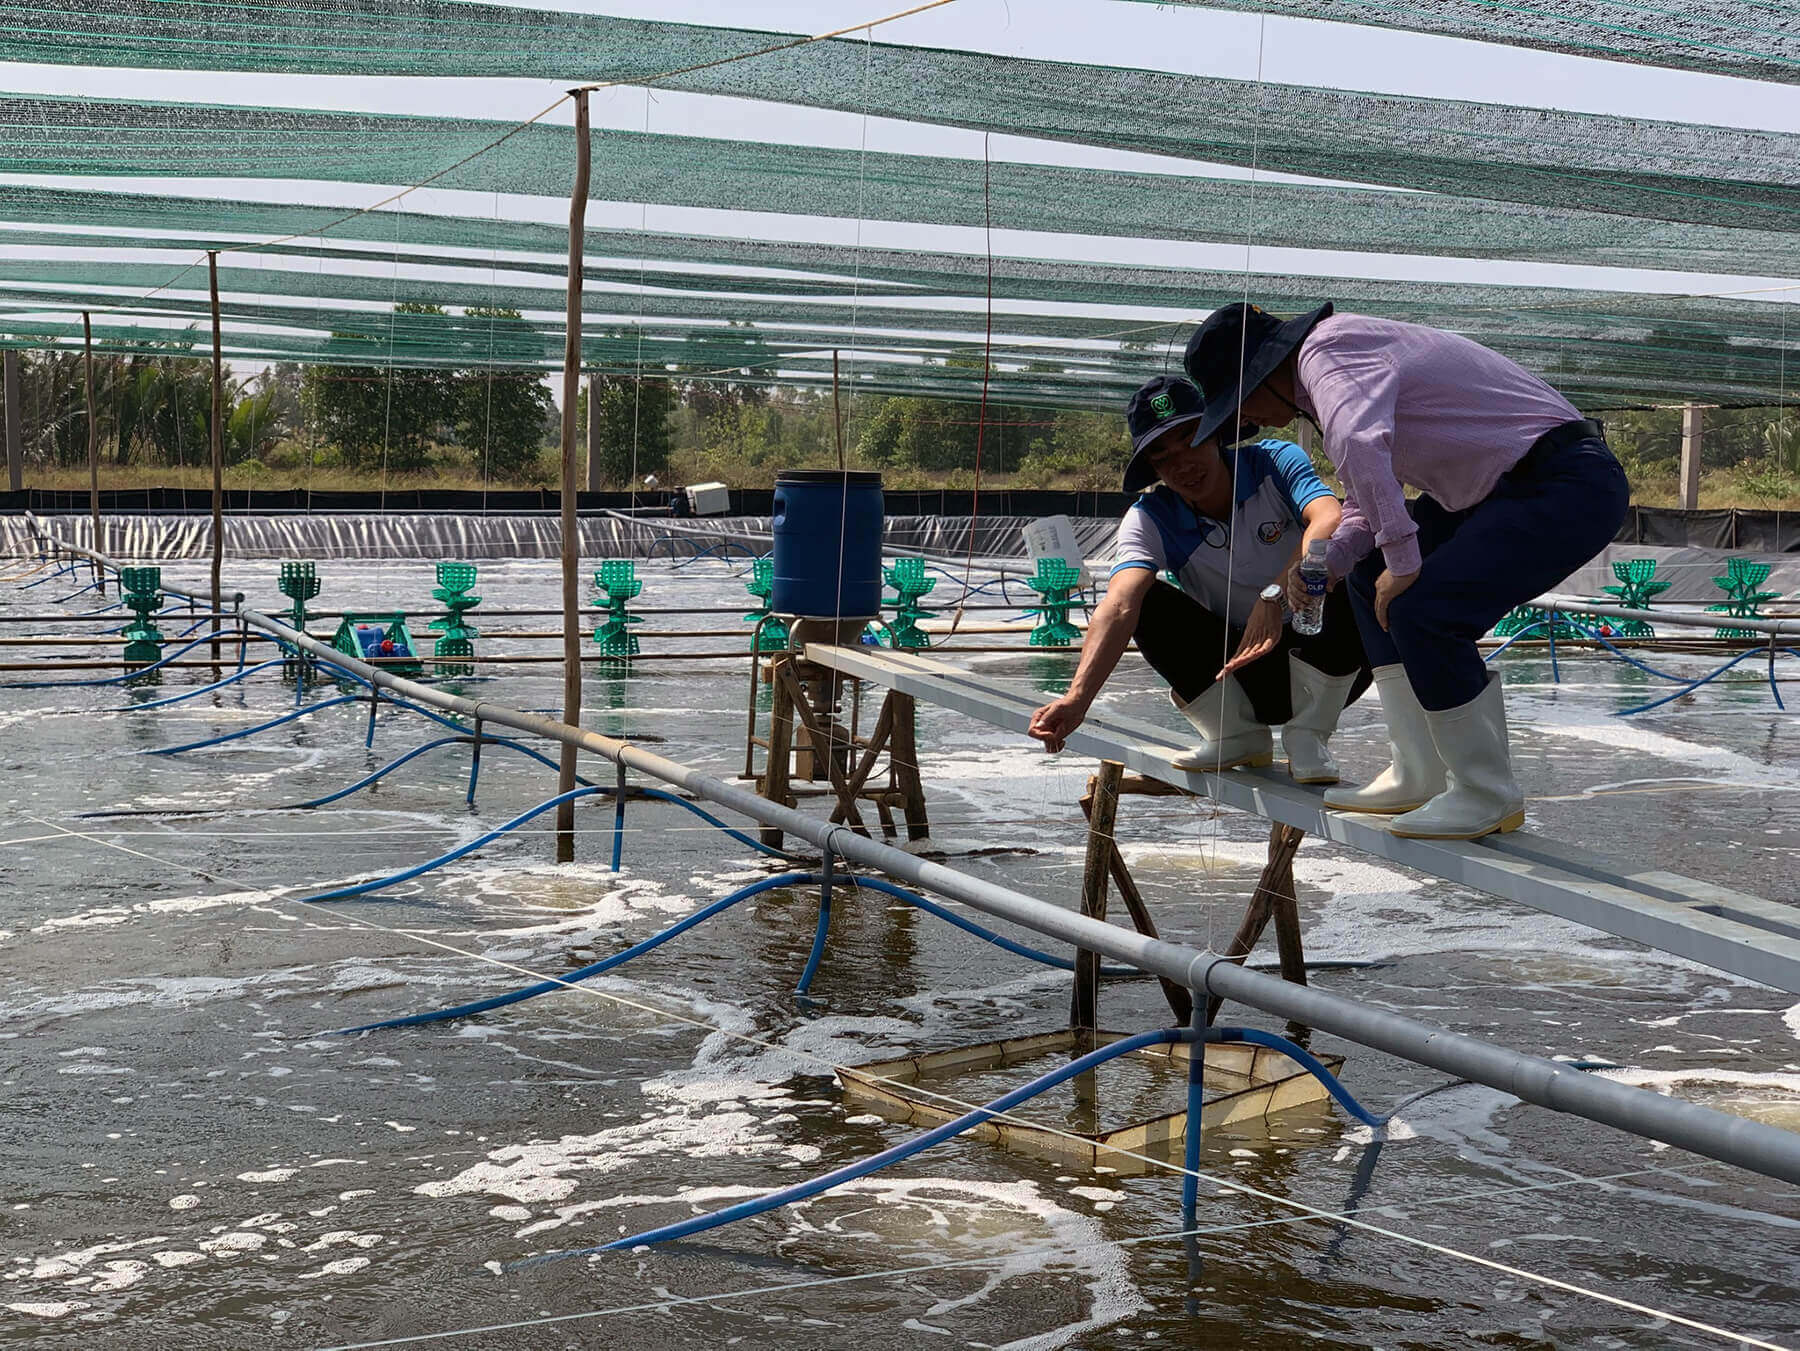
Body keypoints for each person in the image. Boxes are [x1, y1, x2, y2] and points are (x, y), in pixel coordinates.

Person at [1182, 302, 1629, 840]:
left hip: (1563, 482)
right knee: (1371, 577)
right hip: (1500, 490)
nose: (1248, 420)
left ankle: (1485, 792)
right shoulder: (1341, 364)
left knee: (1425, 610)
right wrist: (1329, 563)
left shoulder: (1329, 350)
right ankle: (1418, 771)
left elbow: (1359, 447)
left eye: (1240, 402)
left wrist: (1403, 557)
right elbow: (1367, 497)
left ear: (1263, 372)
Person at [1027, 375, 1370, 781]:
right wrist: (1077, 697)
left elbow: (1329, 516)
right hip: (1241, 674)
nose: (1183, 464)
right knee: (1145, 600)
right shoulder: (1150, 517)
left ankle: (1311, 734)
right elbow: (1119, 605)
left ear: (1215, 433)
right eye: (1163, 457)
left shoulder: (1274, 463)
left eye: (1190, 439)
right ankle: (1234, 733)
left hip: (1323, 656)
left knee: (1361, 567)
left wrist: (1274, 597)